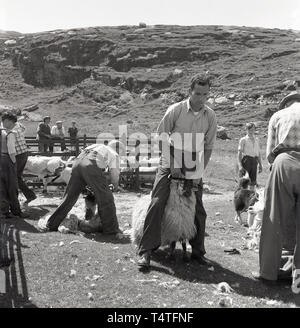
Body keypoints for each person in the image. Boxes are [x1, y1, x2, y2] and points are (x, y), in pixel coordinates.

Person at [137, 73, 217, 269]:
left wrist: (199, 171)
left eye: (204, 94)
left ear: (208, 94)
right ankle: (146, 251)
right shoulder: (176, 110)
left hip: (192, 160)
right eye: (197, 93)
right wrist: (171, 162)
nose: (200, 98)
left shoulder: (210, 116)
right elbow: (161, 136)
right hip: (171, 156)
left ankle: (198, 252)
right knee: (157, 201)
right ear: (190, 91)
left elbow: (208, 147)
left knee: (198, 208)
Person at [252, 91, 300, 287]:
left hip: (285, 163)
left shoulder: (278, 116)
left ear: (286, 104)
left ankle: (268, 272)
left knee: (274, 218)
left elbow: (270, 155)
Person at [38, 140, 126, 237]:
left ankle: (51, 224)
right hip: (91, 166)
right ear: (118, 149)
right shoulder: (113, 153)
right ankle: (111, 230)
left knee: (69, 196)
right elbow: (115, 174)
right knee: (106, 198)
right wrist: (116, 186)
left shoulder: (96, 146)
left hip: (77, 163)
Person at [0, 112, 29, 219]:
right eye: (13, 123)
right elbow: (11, 151)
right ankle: (16, 211)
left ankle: (4, 211)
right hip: (7, 159)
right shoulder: (10, 133)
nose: (13, 125)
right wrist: (14, 162)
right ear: (6, 121)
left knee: (2, 187)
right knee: (12, 186)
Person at [13, 121, 37, 204]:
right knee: (17, 176)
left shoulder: (5, 127)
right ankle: (30, 195)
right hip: (23, 152)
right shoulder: (18, 124)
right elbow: (24, 129)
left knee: (14, 176)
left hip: (17, 154)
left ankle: (14, 198)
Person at [237, 122, 263, 190]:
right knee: (244, 181)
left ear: (255, 130)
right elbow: (239, 153)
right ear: (246, 130)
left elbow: (259, 153)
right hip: (246, 160)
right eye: (249, 130)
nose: (251, 131)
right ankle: (242, 197)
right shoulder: (243, 140)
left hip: (254, 161)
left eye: (253, 129)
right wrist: (240, 165)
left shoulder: (257, 140)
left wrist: (260, 164)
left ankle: (250, 198)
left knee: (253, 182)